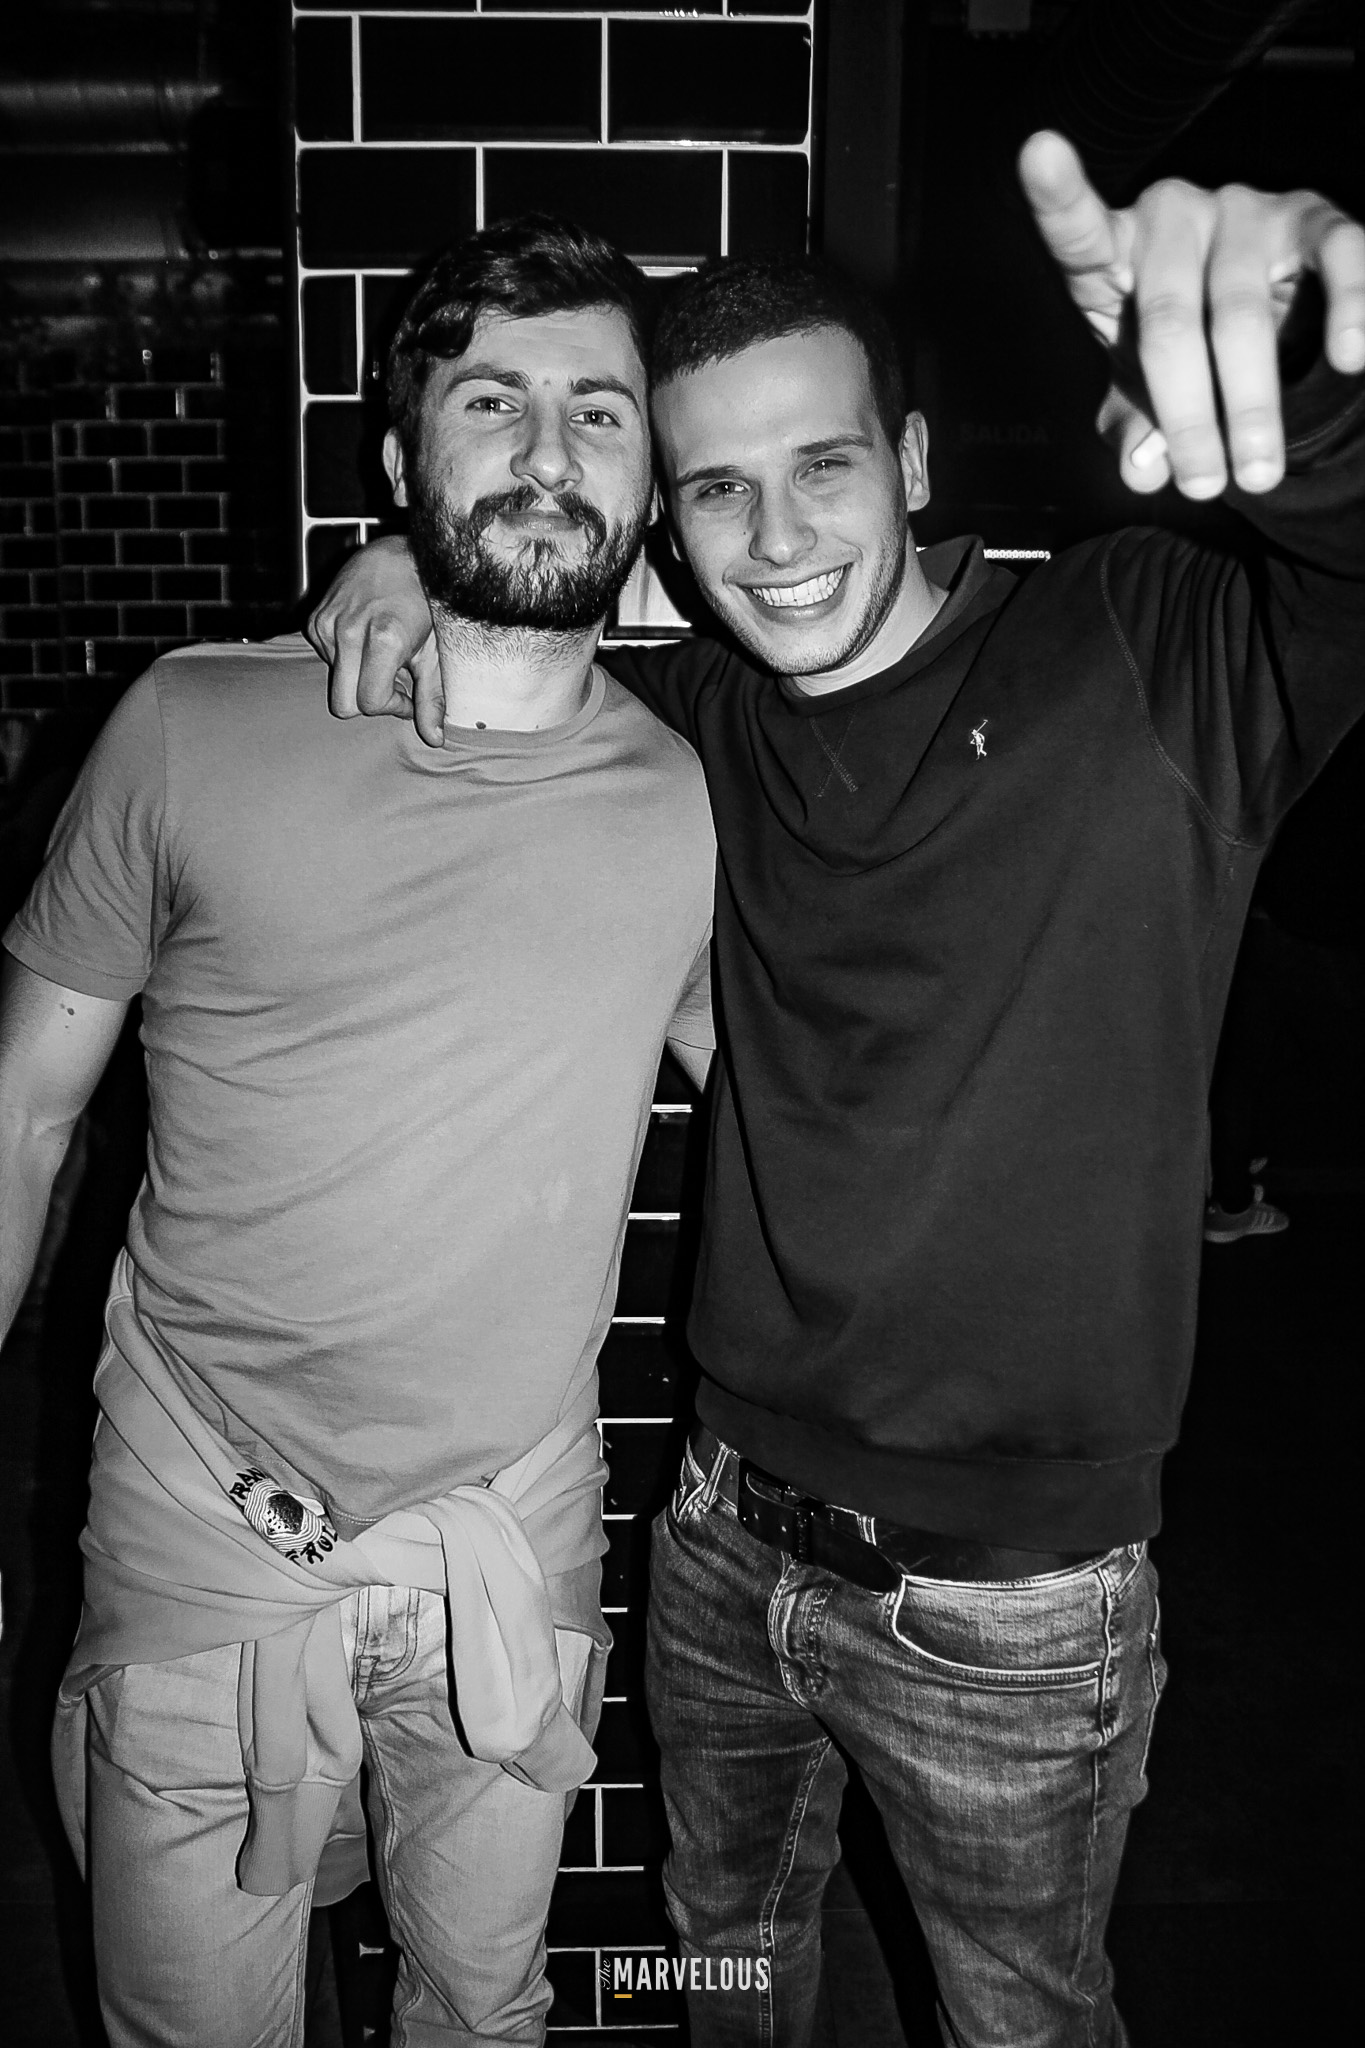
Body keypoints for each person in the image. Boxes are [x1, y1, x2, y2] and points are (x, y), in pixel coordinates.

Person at [312, 132, 1365, 2048]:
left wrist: (1292, 357)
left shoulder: (1137, 650)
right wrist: (407, 554)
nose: (775, 537)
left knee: (1019, 2016)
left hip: (1014, 1603)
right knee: (720, 1956)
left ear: (912, 461)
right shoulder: (698, 726)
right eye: (715, 488)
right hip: (721, 1536)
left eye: (822, 465)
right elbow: (519, 635)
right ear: (668, 529)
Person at [0, 217, 716, 2047]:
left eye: (598, 412)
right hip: (202, 1523)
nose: (547, 452)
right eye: (491, 403)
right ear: (400, 457)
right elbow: (24, 1109)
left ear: (650, 481)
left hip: (510, 1534)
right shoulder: (189, 728)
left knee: (483, 2012)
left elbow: (809, 1106)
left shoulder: (692, 797)